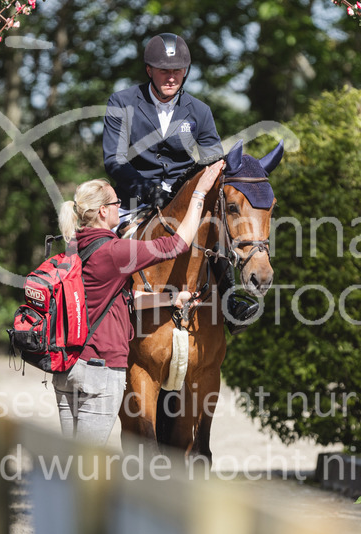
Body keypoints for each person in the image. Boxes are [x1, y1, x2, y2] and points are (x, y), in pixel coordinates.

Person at [52, 161, 224, 445]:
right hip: (100, 369)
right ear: (104, 211)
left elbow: (123, 299)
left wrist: (170, 298)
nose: (121, 207)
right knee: (87, 463)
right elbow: (176, 245)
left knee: (74, 455)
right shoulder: (115, 251)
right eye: (117, 203)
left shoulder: (74, 246)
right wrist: (199, 193)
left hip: (67, 370)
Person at [101, 32, 258, 332]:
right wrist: (148, 190)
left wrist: (201, 191)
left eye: (177, 71)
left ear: (185, 72)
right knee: (103, 245)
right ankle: (99, 315)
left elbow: (213, 160)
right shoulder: (122, 102)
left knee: (216, 232)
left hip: (185, 198)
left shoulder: (199, 111)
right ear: (149, 70)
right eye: (164, 70)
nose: (171, 77)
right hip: (136, 196)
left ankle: (230, 301)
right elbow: (114, 160)